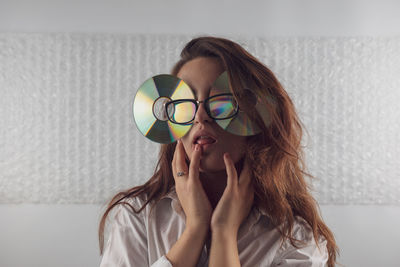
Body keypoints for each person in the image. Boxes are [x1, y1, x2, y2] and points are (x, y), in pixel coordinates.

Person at [98, 36, 339, 267]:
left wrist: (224, 231)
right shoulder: (137, 215)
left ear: (255, 120)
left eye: (222, 103)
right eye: (184, 102)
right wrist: (194, 230)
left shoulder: (296, 239)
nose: (200, 116)